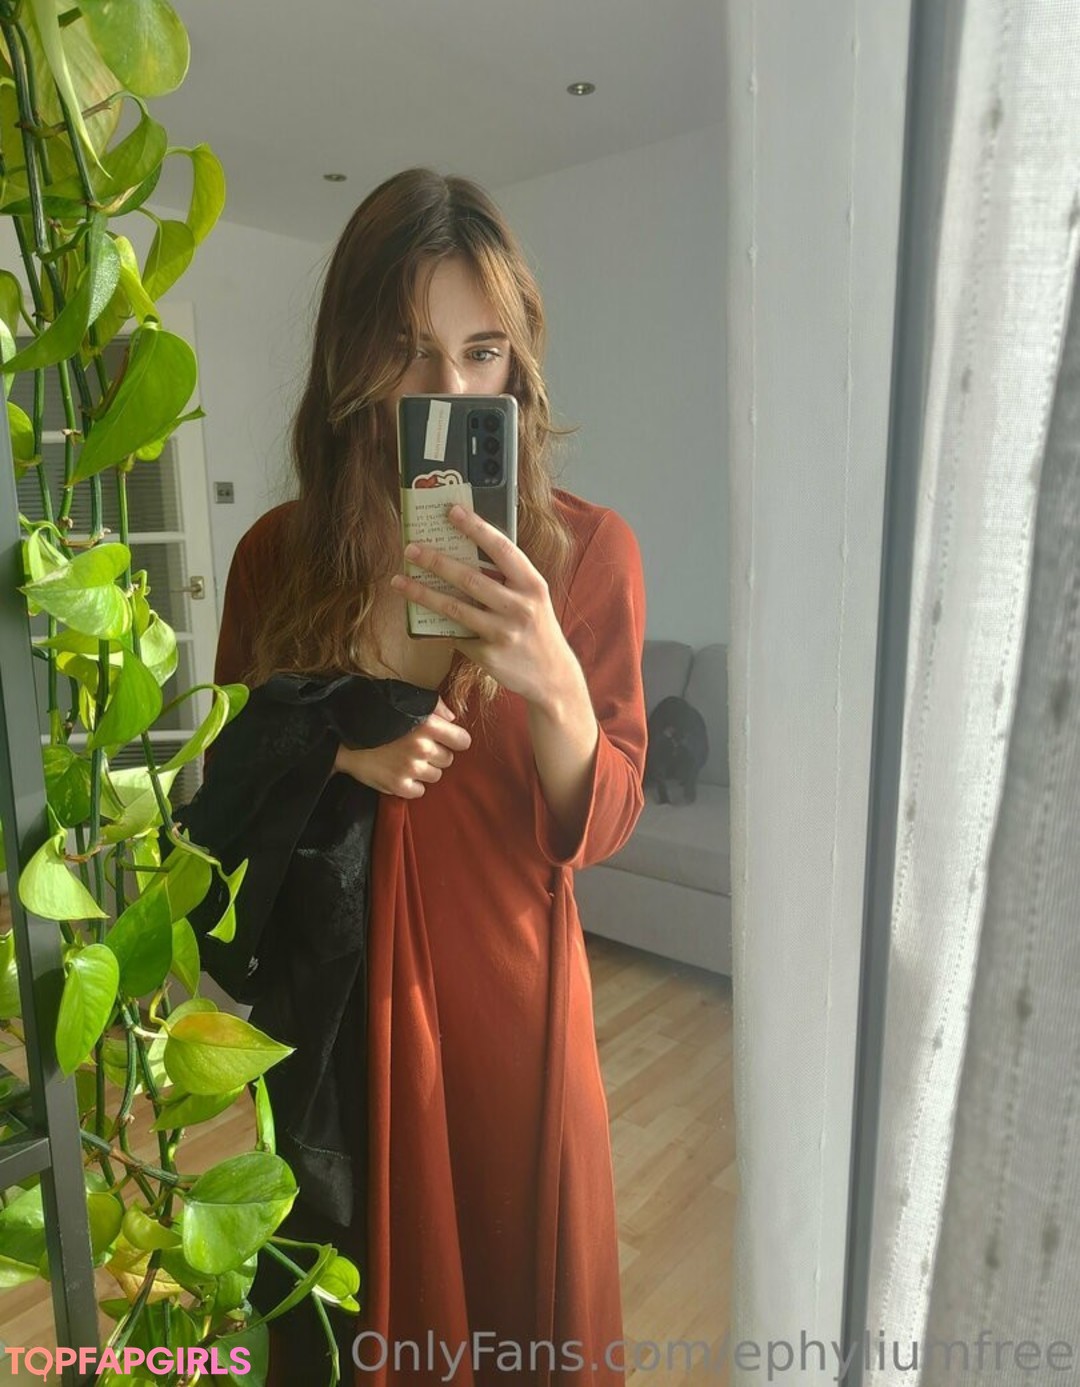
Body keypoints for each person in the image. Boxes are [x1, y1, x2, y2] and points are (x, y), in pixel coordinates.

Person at [212, 168, 648, 1386]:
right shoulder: (276, 557)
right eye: (410, 351)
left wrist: (553, 675)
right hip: (333, 1017)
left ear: (517, 363)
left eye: (480, 351)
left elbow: (605, 817)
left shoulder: (588, 550)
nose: (449, 391)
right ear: (351, 361)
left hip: (513, 1011)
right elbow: (230, 783)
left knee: (519, 1307)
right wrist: (339, 749)